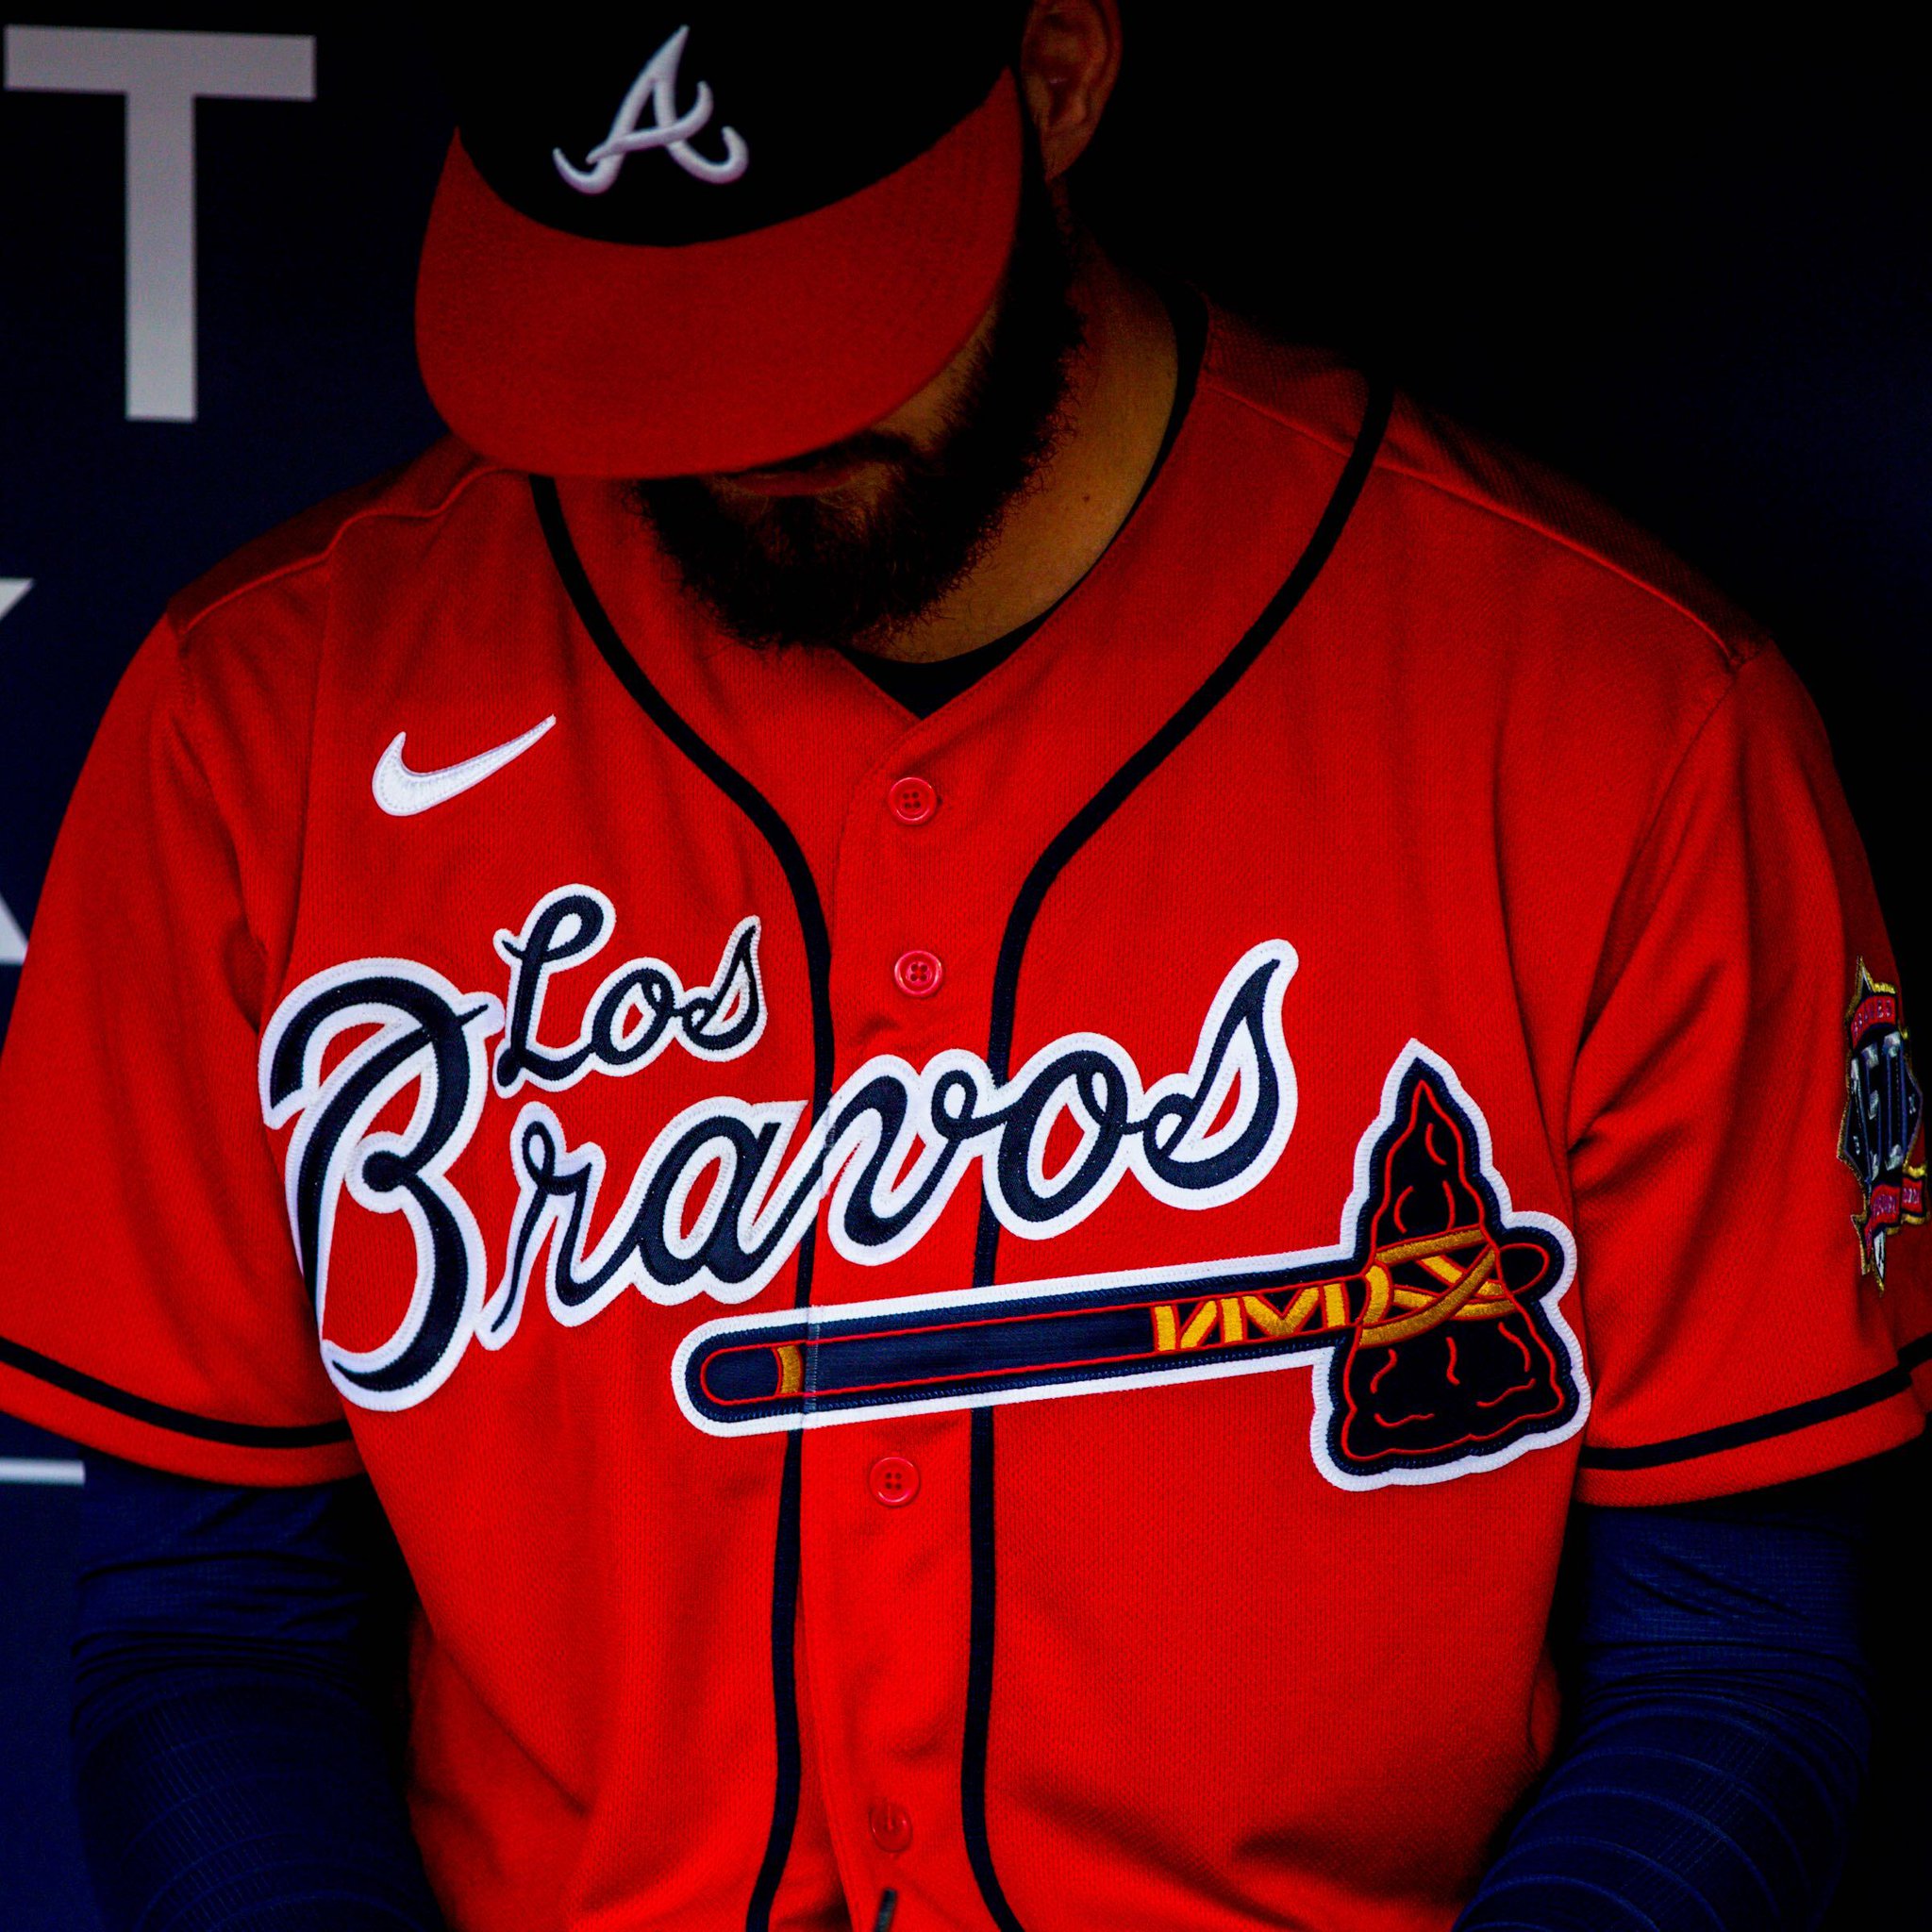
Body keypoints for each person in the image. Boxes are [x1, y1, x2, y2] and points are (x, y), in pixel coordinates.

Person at [0, 5, 1926, 1929]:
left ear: (1059, 76)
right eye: (651, 320)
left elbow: (1731, 1657)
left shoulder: (1621, 727)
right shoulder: (267, 723)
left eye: (818, 311)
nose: (739, 412)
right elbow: (210, 1618)